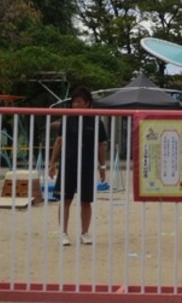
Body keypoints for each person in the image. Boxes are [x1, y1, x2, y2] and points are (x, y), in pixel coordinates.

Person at [48, 86, 108, 246]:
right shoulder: (67, 119)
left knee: (85, 201)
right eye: (73, 102)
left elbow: (101, 145)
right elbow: (59, 141)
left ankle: (85, 233)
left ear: (88, 103)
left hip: (87, 166)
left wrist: (102, 167)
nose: (75, 105)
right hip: (68, 165)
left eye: (79, 102)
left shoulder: (96, 122)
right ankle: (63, 233)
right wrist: (52, 163)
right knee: (65, 200)